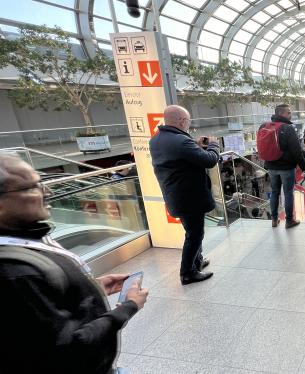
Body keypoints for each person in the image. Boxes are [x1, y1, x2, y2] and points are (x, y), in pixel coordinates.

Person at [0, 154, 149, 373]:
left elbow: (44, 311)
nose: (47, 192)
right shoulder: (15, 273)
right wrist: (128, 307)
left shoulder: (27, 242)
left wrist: (92, 287)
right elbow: (68, 350)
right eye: (32, 187)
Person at [150, 105, 219, 285]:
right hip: (189, 197)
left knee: (192, 231)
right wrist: (213, 145)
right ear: (182, 121)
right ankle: (187, 272)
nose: (188, 124)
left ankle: (197, 261)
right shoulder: (180, 141)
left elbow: (178, 160)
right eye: (188, 121)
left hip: (175, 194)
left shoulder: (157, 139)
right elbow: (210, 160)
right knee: (195, 234)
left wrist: (194, 146)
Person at [263, 104, 305, 229]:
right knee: (288, 193)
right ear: (281, 113)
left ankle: (274, 219)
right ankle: (289, 220)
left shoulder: (265, 126)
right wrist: (304, 167)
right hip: (286, 168)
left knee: (274, 192)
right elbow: (296, 151)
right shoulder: (287, 128)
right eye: (288, 112)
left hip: (271, 166)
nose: (290, 114)